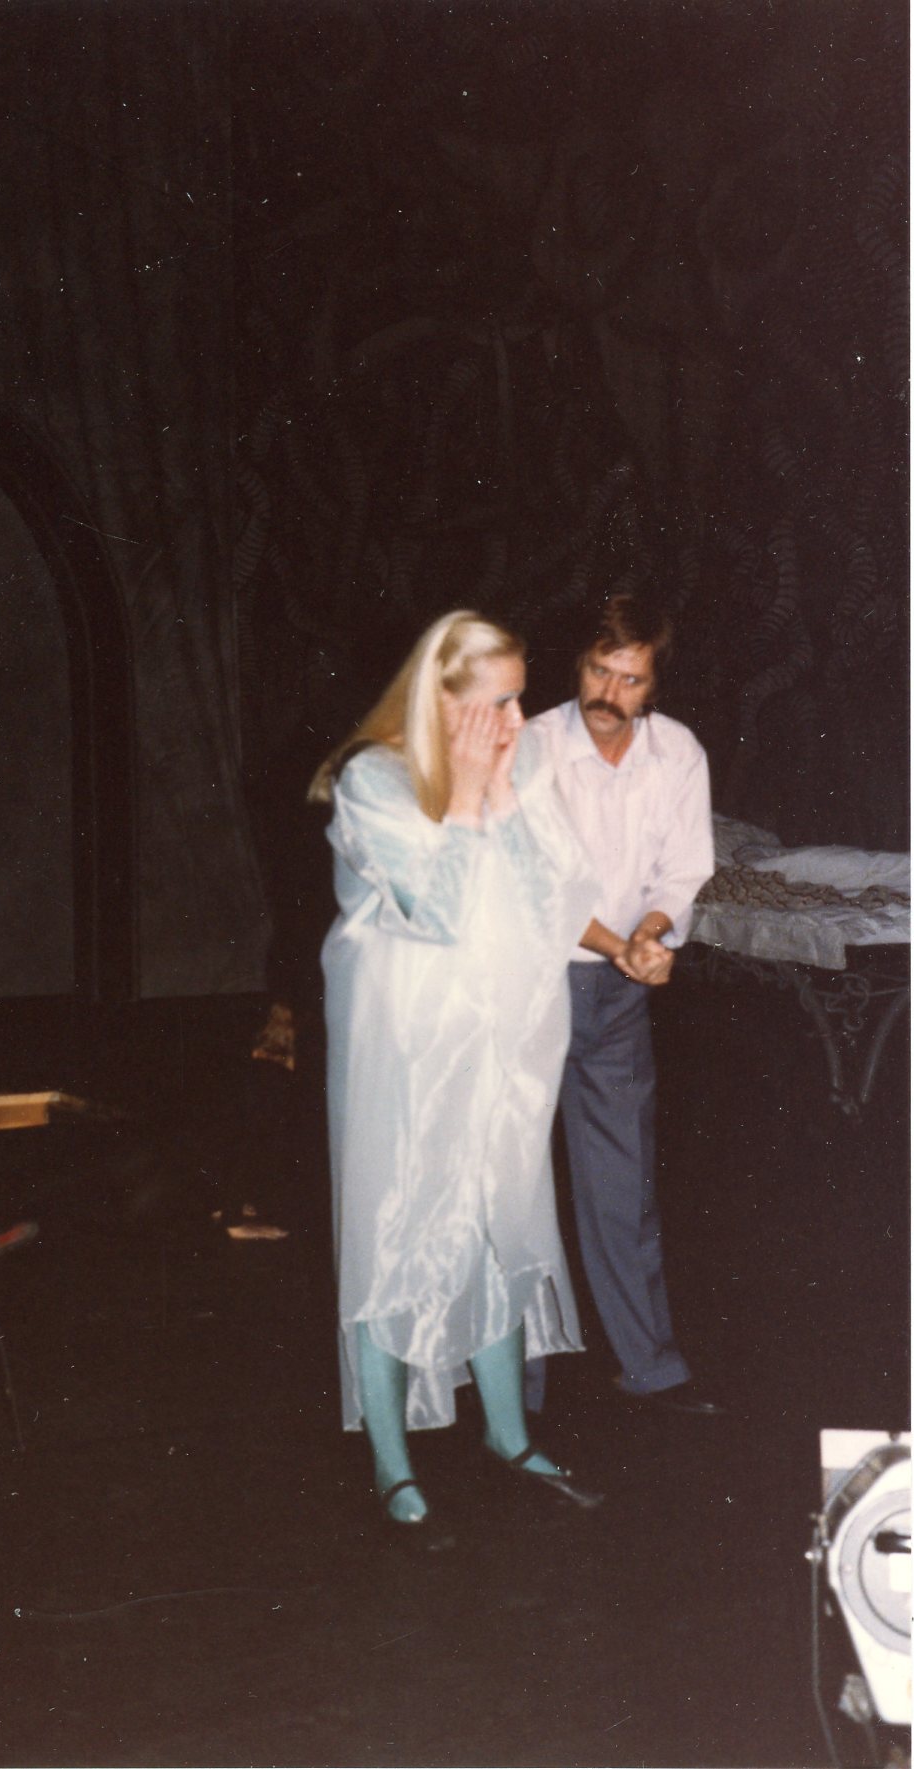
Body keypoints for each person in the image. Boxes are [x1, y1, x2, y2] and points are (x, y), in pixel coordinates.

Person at [310, 611, 640, 1530]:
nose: (515, 720)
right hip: (404, 1047)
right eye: (495, 701)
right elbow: (433, 909)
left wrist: (503, 793)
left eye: (518, 698)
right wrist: (471, 796)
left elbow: (553, 896)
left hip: (502, 1041)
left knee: (499, 1218)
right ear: (441, 700)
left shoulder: (517, 768)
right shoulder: (374, 779)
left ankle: (506, 1431)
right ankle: (391, 1458)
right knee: (391, 1228)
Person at [526, 593, 719, 1415]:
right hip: (530, 984)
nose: (608, 693)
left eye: (630, 679)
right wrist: (622, 946)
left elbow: (683, 868)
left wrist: (649, 935)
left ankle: (650, 1366)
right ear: (578, 665)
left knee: (621, 1182)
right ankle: (516, 1390)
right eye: (598, 671)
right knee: (516, 1188)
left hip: (614, 996)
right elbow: (537, 887)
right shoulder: (530, 746)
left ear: (654, 686)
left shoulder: (677, 752)